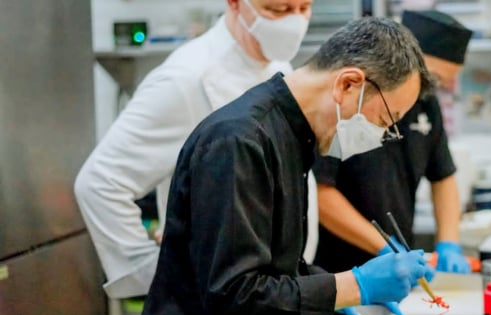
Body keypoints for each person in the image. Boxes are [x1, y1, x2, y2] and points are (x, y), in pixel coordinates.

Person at [138, 16, 434, 315]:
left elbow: (272, 263)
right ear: (349, 83)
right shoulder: (239, 142)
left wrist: (333, 290)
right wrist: (351, 286)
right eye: (387, 119)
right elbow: (237, 297)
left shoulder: (294, 138)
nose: (383, 135)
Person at [74, 0, 318, 299]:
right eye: (277, 10)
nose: (293, 22)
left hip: (272, 296)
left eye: (304, 7)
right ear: (235, 3)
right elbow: (99, 183)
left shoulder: (277, 65)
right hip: (218, 307)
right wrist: (156, 275)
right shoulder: (186, 79)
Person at [312, 10, 473, 315]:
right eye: (434, 78)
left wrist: (449, 242)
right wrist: (383, 247)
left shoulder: (426, 106)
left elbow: (443, 175)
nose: (434, 90)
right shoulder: (349, 106)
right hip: (336, 275)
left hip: (397, 275)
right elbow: (320, 195)